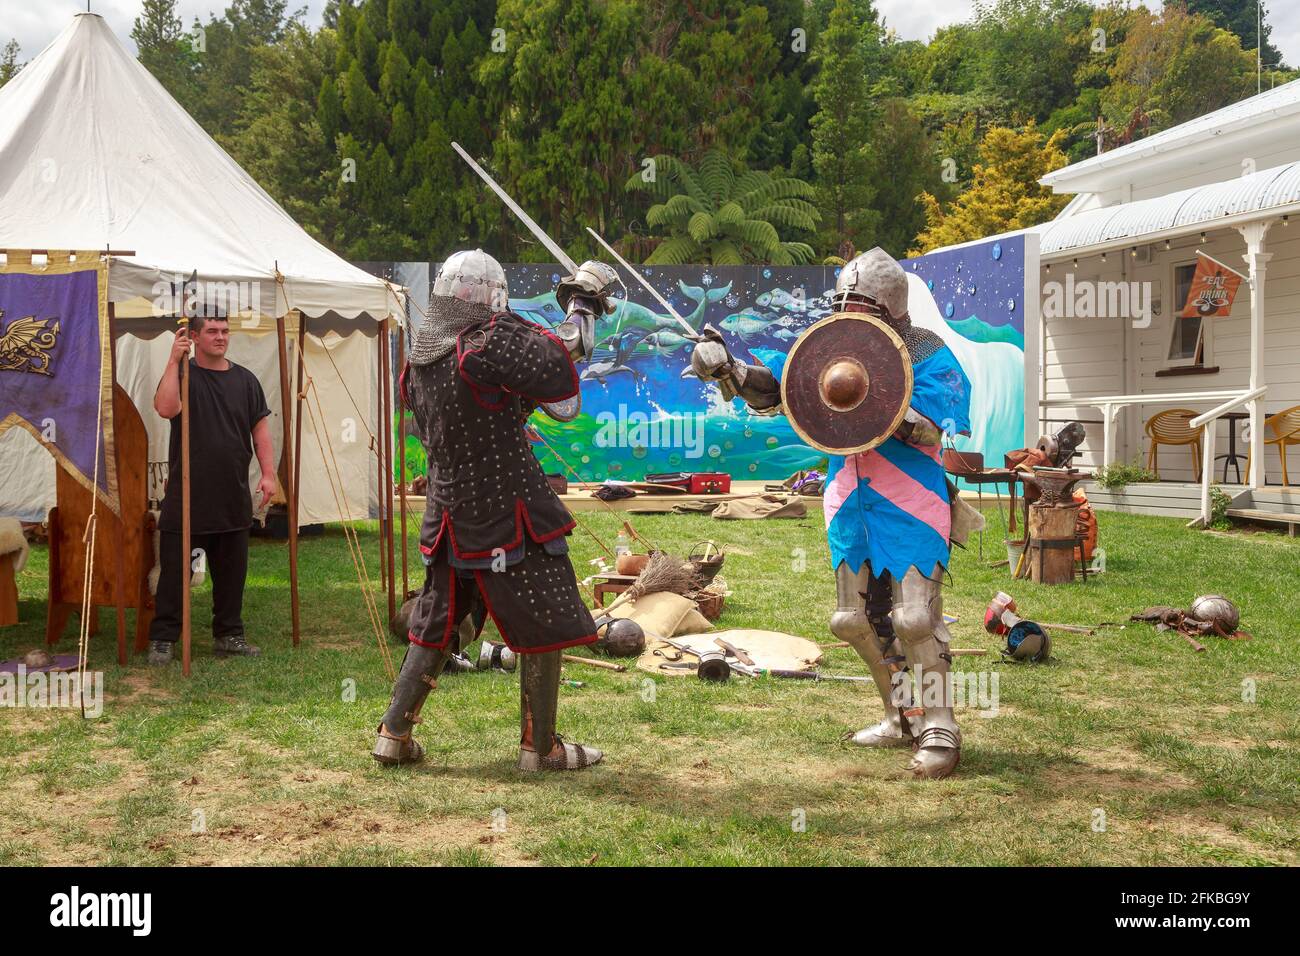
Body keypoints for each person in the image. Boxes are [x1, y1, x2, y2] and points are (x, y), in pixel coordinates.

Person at [690, 248, 979, 779]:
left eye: (859, 304)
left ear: (889, 307)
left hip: (912, 498)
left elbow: (936, 424)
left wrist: (874, 395)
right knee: (851, 620)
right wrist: (727, 366)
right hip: (849, 496)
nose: (847, 312)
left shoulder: (928, 353)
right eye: (842, 302)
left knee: (914, 618)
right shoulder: (829, 350)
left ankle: (941, 723)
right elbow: (774, 384)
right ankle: (901, 713)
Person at [373, 250, 619, 772]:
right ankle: (542, 748)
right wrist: (584, 299)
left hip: (449, 516)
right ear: (492, 296)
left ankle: (392, 735)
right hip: (507, 513)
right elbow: (563, 353)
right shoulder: (484, 339)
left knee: (436, 622)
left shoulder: (422, 359)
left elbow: (485, 404)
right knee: (544, 616)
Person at [148, 313, 276, 665]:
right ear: (194, 336)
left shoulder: (246, 380)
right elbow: (164, 407)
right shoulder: (185, 374)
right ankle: (164, 638)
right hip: (187, 496)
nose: (221, 337)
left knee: (231, 573)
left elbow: (260, 430)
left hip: (232, 492)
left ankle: (229, 635)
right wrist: (175, 359)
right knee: (175, 572)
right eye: (212, 332)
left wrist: (268, 474)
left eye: (225, 331)